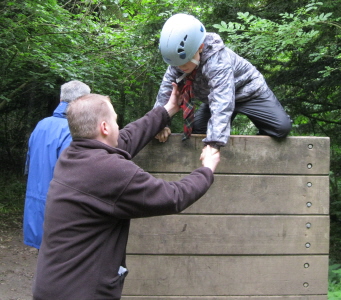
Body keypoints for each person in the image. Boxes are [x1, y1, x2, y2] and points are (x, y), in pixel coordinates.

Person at [32, 84, 220, 300]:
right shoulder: (109, 170)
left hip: (53, 285)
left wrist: (167, 109)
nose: (117, 125)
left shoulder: (72, 155)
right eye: (115, 120)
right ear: (104, 127)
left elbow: (126, 139)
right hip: (80, 292)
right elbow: (174, 196)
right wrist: (206, 169)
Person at [154, 13, 292, 150]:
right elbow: (165, 94)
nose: (181, 68)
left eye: (185, 63)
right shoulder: (177, 64)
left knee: (281, 128)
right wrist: (161, 124)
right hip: (215, 98)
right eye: (177, 64)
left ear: (200, 47)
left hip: (248, 92)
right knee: (199, 131)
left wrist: (213, 144)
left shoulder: (217, 60)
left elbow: (223, 101)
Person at [23, 80, 91, 249]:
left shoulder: (41, 125)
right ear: (83, 102)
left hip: (35, 209)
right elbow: (72, 177)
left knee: (45, 263)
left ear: (61, 100)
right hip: (59, 214)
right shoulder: (73, 130)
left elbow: (28, 166)